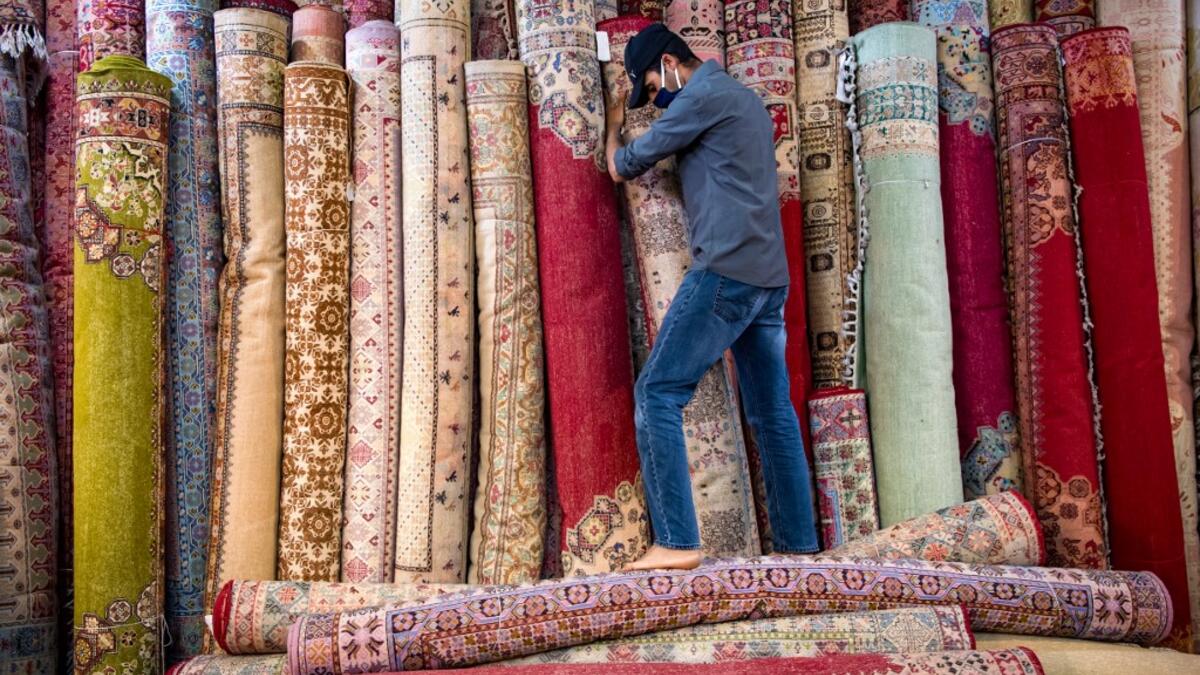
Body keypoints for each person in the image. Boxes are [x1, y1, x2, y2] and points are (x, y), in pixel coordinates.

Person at [605, 24, 819, 571]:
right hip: (769, 278)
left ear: (671, 62)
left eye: (652, 86)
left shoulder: (699, 98)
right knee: (772, 412)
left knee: (657, 392)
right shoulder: (742, 98)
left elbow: (626, 165)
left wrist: (612, 124)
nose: (656, 98)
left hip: (724, 271)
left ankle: (676, 542)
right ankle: (799, 551)